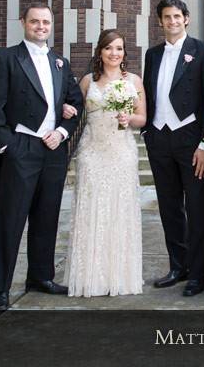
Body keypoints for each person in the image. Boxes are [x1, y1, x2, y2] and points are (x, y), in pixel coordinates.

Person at [0, 4, 83, 312]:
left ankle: (40, 276)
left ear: (52, 25)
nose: (41, 26)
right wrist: (7, 146)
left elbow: (75, 103)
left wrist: (63, 132)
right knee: (11, 219)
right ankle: (1, 286)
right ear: (23, 22)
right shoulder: (5, 58)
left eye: (46, 22)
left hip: (53, 150)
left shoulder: (60, 62)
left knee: (47, 216)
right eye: (35, 21)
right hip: (21, 147)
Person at [141, 0, 204, 297]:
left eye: (177, 16)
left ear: (186, 19)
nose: (172, 21)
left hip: (191, 141)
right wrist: (148, 131)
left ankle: (198, 273)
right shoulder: (153, 54)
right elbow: (148, 92)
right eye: (166, 17)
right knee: (169, 207)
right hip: (159, 139)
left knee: (197, 209)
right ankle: (178, 265)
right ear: (160, 21)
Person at [63, 29, 145, 297]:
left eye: (119, 49)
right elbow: (73, 107)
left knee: (119, 209)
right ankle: (90, 277)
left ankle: (119, 276)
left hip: (121, 151)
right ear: (100, 52)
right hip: (92, 151)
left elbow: (143, 118)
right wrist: (66, 109)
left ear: (124, 53)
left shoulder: (133, 80)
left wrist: (128, 119)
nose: (114, 53)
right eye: (109, 48)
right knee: (91, 208)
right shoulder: (88, 80)